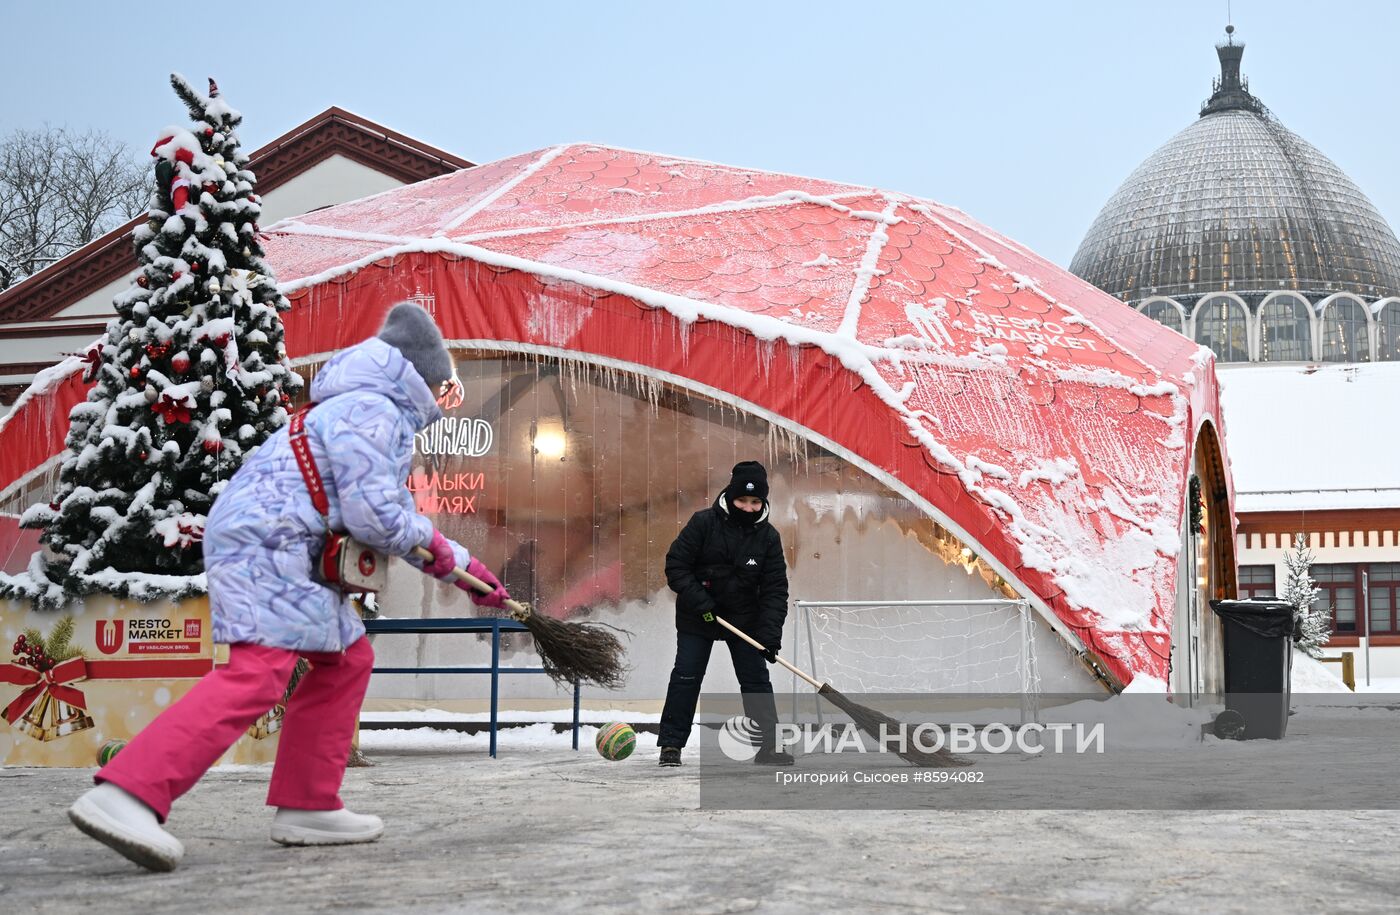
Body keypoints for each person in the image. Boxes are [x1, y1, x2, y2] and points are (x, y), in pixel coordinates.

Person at [67, 303, 509, 872]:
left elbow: (383, 506)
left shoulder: (361, 403)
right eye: (439, 386)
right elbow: (376, 515)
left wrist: (464, 567)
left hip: (286, 545)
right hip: (268, 541)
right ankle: (126, 793)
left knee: (347, 658)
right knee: (258, 672)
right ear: (421, 378)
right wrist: (449, 560)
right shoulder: (375, 409)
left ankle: (309, 803)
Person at [658, 461, 793, 767]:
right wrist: (701, 603)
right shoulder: (703, 523)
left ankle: (768, 747)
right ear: (730, 496)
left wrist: (770, 636)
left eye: (755, 501)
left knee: (756, 680)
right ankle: (671, 745)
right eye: (742, 500)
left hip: (745, 619)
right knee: (686, 676)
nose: (748, 507)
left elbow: (775, 590)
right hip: (699, 616)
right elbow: (676, 567)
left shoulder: (768, 537)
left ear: (763, 501)